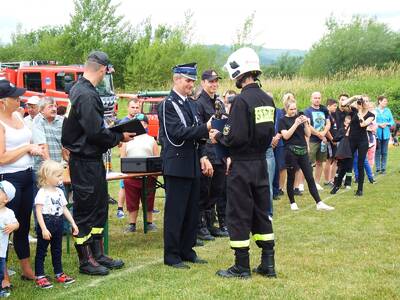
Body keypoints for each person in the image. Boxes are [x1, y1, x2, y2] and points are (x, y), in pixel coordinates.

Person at [62, 51, 134, 275]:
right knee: (86, 209)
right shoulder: (86, 94)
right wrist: (119, 137)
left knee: (100, 206)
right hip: (84, 160)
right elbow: (94, 132)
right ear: (103, 70)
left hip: (90, 159)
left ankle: (98, 253)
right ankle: (86, 260)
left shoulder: (79, 89)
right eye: (106, 72)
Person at [210, 47, 276, 279]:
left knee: (238, 213)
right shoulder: (268, 100)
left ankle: (241, 266)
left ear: (238, 72)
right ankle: (268, 263)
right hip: (261, 163)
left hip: (242, 165)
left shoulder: (241, 101)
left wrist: (218, 136)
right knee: (261, 211)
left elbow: (234, 137)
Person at [158, 62, 213, 269]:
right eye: (188, 80)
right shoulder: (167, 104)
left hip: (191, 162)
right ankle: (172, 255)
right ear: (176, 79)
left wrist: (204, 149)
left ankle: (187, 249)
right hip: (177, 163)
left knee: (191, 211)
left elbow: (197, 133)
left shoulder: (191, 104)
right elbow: (177, 133)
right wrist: (205, 128)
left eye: (193, 81)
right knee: (176, 212)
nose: (191, 84)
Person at [0, 80, 44, 288]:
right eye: (14, 97)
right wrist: (27, 147)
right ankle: (3, 275)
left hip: (27, 176)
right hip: (9, 180)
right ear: (2, 102)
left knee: (24, 224)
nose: (19, 99)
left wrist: (35, 147)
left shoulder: (18, 115)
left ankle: (26, 268)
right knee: (5, 227)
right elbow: (1, 158)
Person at [278, 97, 334, 211]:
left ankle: (319, 202)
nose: (294, 111)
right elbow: (286, 136)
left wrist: (306, 124)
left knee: (309, 177)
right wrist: (295, 123)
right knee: (291, 177)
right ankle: (292, 202)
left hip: (303, 151)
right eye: (291, 109)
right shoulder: (282, 120)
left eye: (295, 109)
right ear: (286, 109)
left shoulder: (300, 117)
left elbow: (308, 134)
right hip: (290, 152)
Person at [34, 160, 78, 289]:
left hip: (58, 223)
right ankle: (40, 276)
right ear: (47, 177)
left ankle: (59, 273)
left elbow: (64, 209)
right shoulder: (42, 193)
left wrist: (73, 223)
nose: (61, 178)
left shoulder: (59, 192)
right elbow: (38, 212)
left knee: (57, 250)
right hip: (46, 223)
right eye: (58, 176)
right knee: (41, 251)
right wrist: (43, 229)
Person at [196, 69, 228, 240]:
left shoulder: (219, 102)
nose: (214, 84)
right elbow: (199, 130)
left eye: (216, 81)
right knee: (204, 189)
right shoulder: (199, 103)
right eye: (211, 81)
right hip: (207, 151)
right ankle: (200, 226)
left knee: (217, 189)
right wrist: (204, 156)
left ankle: (210, 223)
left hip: (220, 150)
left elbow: (225, 125)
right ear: (203, 83)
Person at [121, 114, 159, 232]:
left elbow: (157, 158)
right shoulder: (126, 141)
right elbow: (123, 158)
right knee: (131, 200)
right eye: (136, 122)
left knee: (148, 199)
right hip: (131, 177)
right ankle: (132, 224)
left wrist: (154, 175)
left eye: (141, 122)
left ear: (146, 125)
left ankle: (149, 222)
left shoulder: (151, 140)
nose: (139, 124)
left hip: (148, 177)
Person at [341, 95, 375, 196]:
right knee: (346, 161)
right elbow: (343, 105)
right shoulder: (354, 110)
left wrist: (360, 111)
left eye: (366, 101)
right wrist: (354, 97)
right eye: (363, 101)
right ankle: (338, 184)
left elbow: (362, 124)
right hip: (352, 140)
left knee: (360, 165)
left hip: (362, 141)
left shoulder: (371, 115)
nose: (364, 103)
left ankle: (360, 189)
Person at [304, 92, 331, 191]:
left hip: (322, 140)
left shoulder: (324, 110)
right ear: (311, 99)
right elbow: (308, 125)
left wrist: (323, 133)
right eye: (315, 98)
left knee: (320, 162)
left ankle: (316, 182)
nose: (317, 100)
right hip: (312, 140)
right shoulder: (307, 111)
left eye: (319, 98)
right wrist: (318, 134)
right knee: (308, 162)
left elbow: (328, 123)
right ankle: (302, 184)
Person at [0, 180, 19, 298]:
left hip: (0, 250)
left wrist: (13, 226)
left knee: (0, 272)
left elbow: (17, 224)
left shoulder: (8, 213)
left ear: (6, 199)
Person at [330, 115, 353, 194]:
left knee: (349, 168)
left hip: (350, 151)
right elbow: (335, 139)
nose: (348, 125)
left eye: (350, 124)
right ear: (344, 123)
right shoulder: (341, 130)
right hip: (342, 152)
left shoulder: (353, 131)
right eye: (347, 123)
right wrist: (343, 135)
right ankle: (336, 183)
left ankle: (348, 183)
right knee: (340, 167)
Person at [374, 96, 395, 175]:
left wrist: (387, 123)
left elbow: (392, 121)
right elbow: (372, 121)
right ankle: (378, 168)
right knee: (378, 152)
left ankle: (383, 168)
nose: (386, 103)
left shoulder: (388, 110)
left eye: (386, 101)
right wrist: (379, 124)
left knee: (384, 152)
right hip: (377, 134)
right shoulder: (375, 111)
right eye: (384, 101)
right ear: (380, 101)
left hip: (386, 134)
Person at [324, 99, 339, 186]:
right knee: (329, 160)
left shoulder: (332, 115)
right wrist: (332, 139)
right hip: (330, 141)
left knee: (335, 159)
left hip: (335, 140)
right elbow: (327, 129)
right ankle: (327, 180)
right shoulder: (327, 116)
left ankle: (332, 179)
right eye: (334, 106)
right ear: (328, 106)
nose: (335, 108)